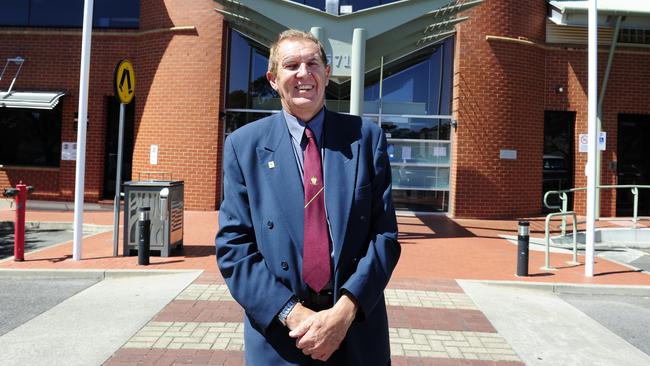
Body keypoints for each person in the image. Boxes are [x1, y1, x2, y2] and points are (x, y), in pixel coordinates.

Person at [216, 29, 400, 365]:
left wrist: (344, 311)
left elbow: (384, 236)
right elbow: (234, 248)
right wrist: (293, 315)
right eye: (291, 65)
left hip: (356, 330)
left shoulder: (366, 138)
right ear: (273, 79)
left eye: (313, 63)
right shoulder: (244, 147)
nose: (304, 73)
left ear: (327, 74)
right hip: (281, 335)